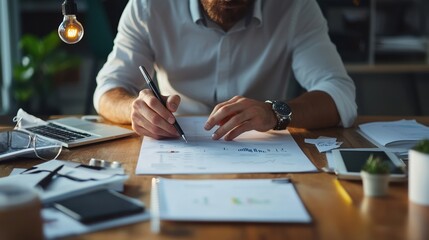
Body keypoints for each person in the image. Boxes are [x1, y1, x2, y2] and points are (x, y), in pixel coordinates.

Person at [94, 0, 357, 141]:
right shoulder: (149, 6)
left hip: (263, 148)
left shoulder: (295, 7)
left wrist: (273, 112)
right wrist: (134, 109)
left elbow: (340, 95)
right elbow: (107, 90)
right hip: (176, 146)